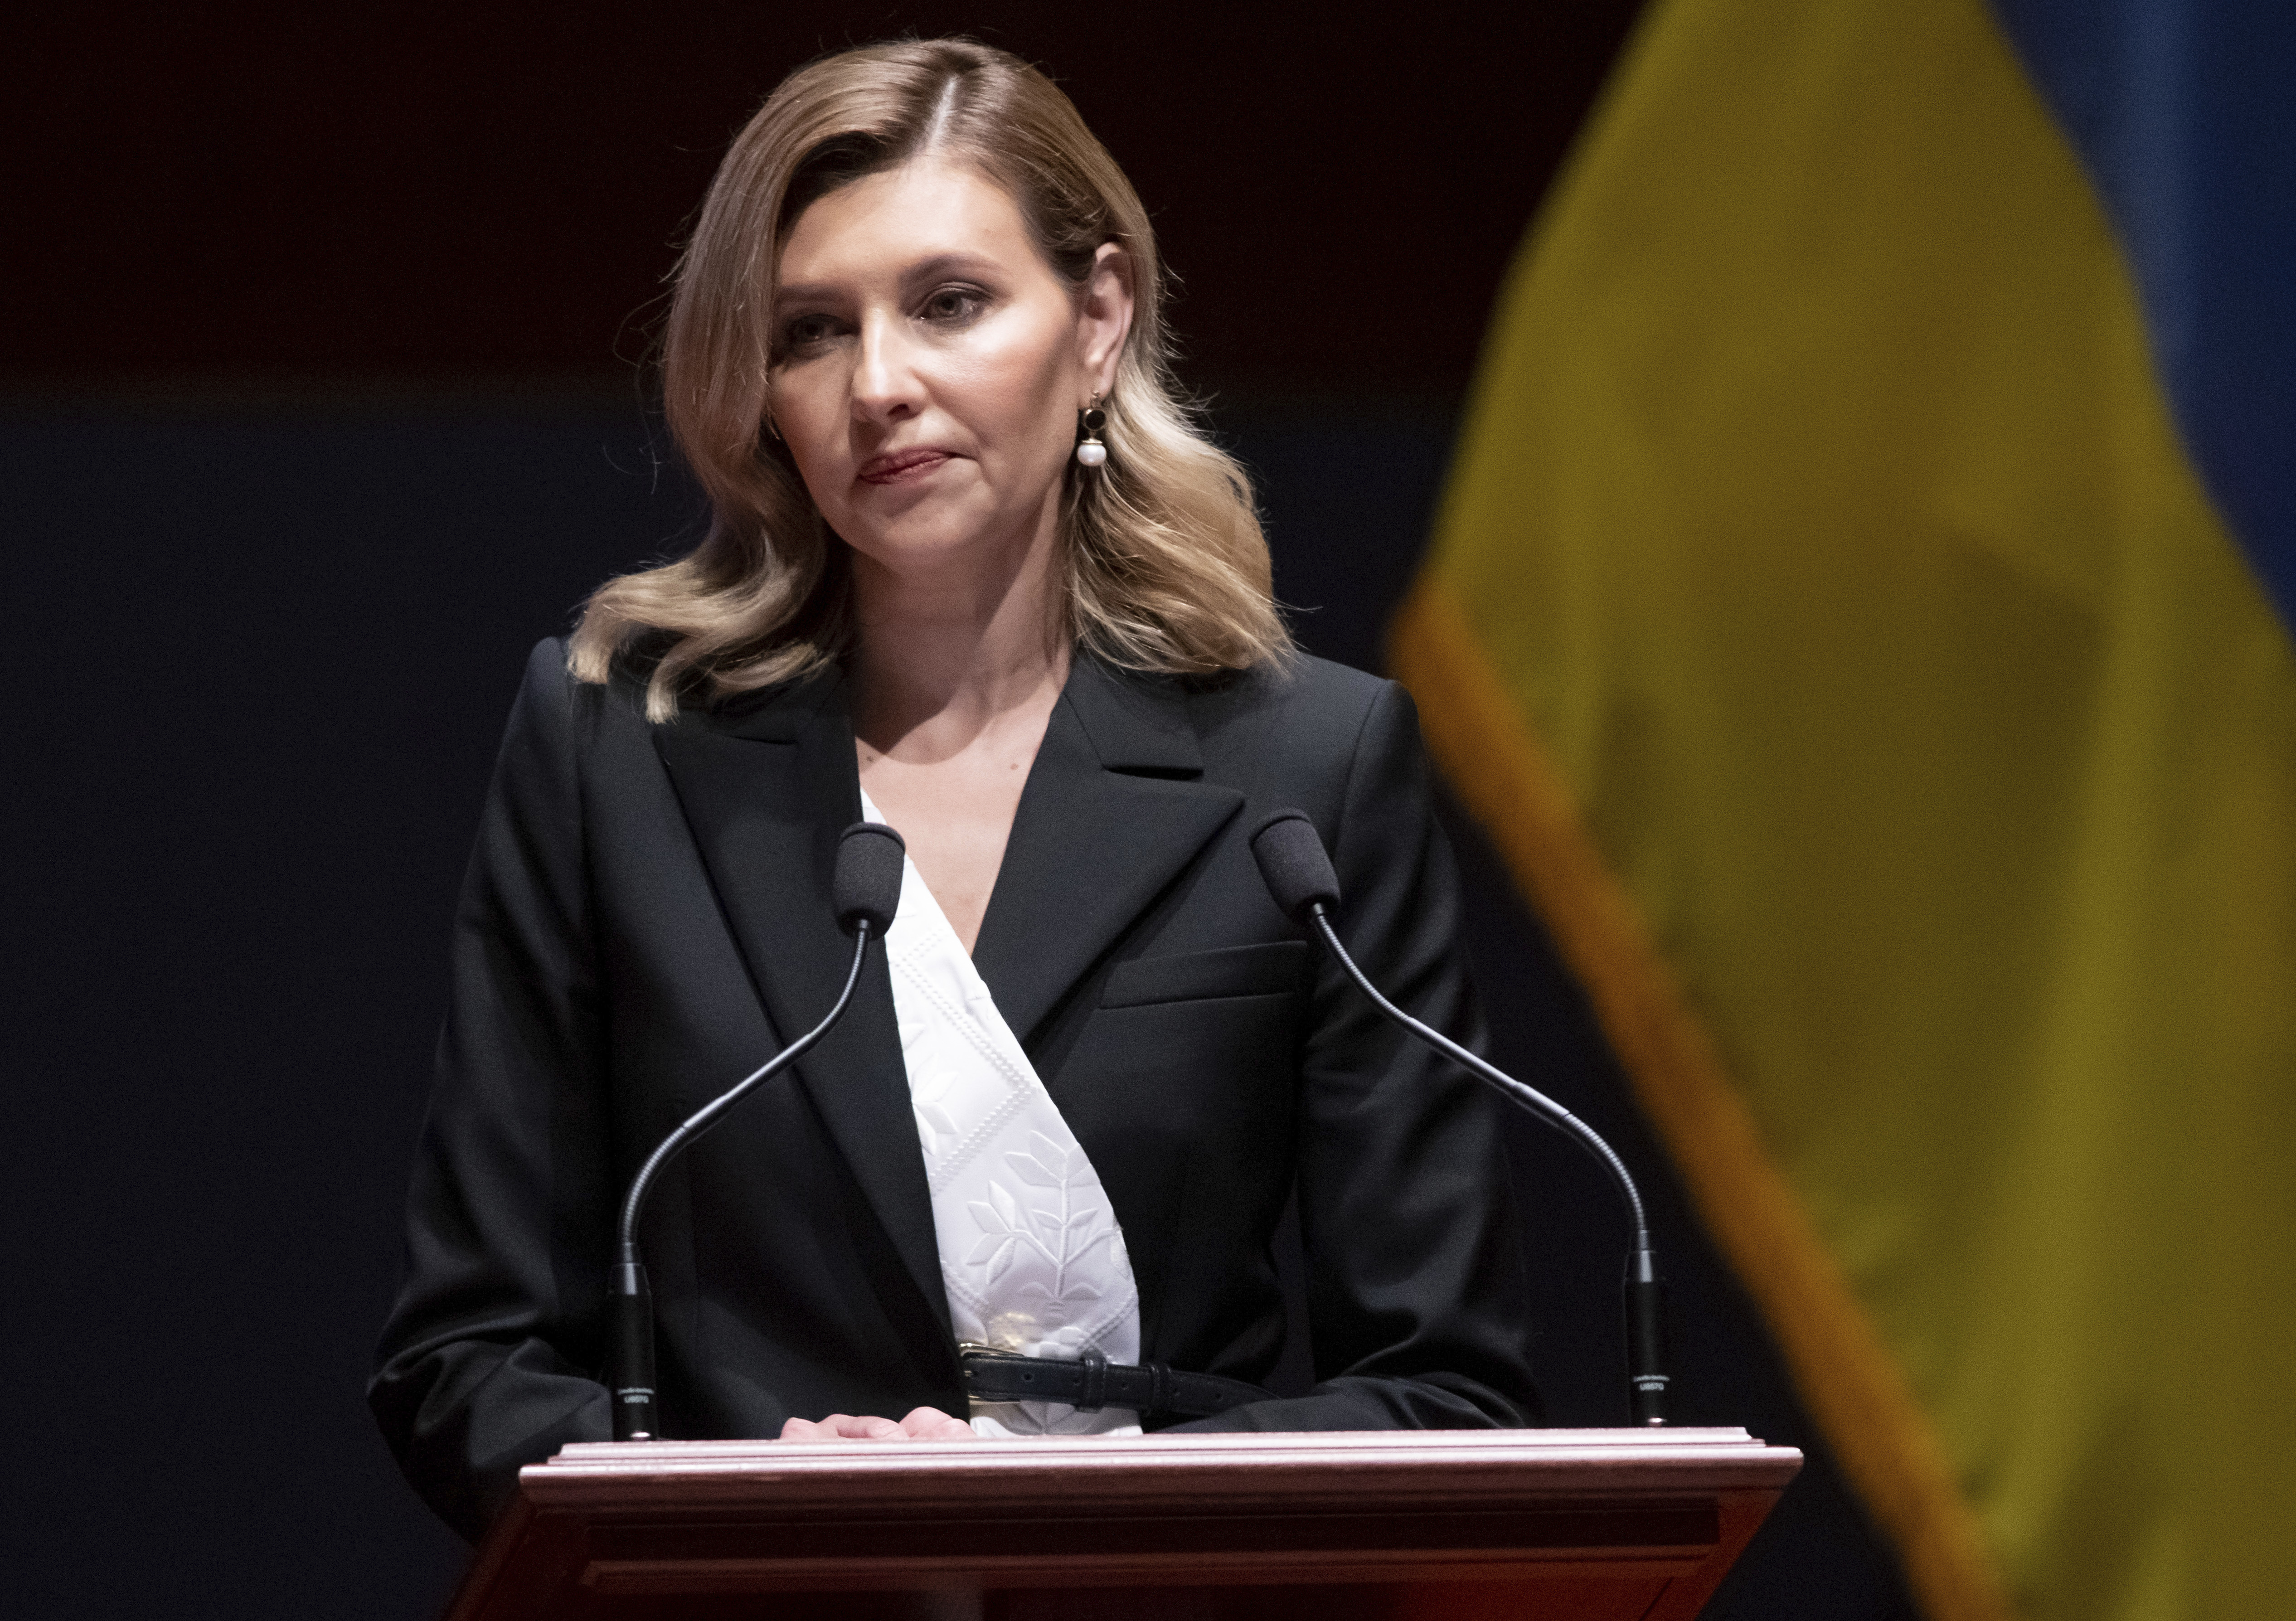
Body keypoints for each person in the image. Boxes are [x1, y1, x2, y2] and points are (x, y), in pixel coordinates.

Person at [370, 37, 1535, 1542]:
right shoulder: (619, 748)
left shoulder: (1306, 776)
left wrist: (1081, 1488)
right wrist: (767, 1507)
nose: (878, 385)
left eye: (950, 304)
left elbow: (1447, 1393)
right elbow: (462, 1363)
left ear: (1099, 317)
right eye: (808, 331)